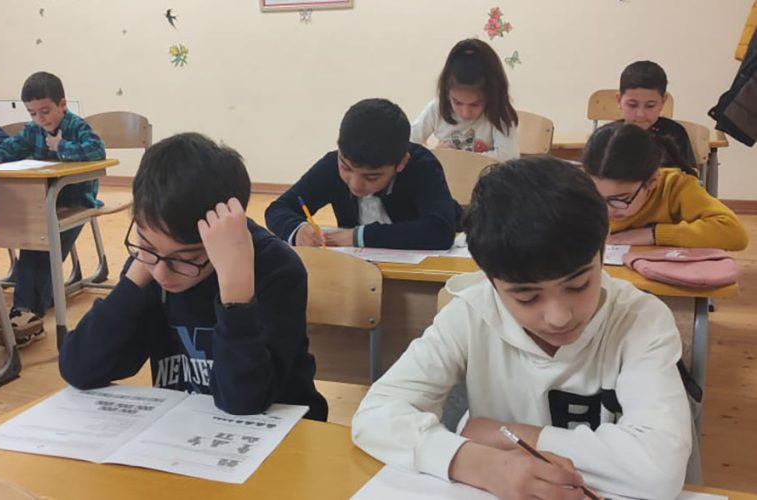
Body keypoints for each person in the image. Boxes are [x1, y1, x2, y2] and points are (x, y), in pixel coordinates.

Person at [352, 157, 691, 499]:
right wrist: (481, 464)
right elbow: (376, 414)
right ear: (490, 279)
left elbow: (659, 469)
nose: (558, 317)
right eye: (527, 298)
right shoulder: (471, 314)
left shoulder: (639, 320)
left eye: (578, 286)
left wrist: (501, 433)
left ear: (603, 245)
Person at [59, 133, 328, 419]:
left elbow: (243, 402)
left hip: (283, 432)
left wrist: (236, 293)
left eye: (184, 259)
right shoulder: (151, 266)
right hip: (189, 428)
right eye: (146, 244)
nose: (162, 272)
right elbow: (79, 368)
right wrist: (134, 279)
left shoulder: (276, 268)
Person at [0, 72, 106, 347]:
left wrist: (60, 146)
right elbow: (9, 148)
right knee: (33, 243)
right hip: (45, 204)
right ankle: (26, 311)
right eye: (33, 113)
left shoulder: (76, 126)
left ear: (62, 104)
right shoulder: (33, 130)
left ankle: (28, 311)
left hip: (76, 202)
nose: (40, 119)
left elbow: (96, 151)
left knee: (44, 249)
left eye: (45, 111)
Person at [265, 98, 459, 250]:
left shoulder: (421, 166)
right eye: (346, 168)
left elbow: (440, 231)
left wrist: (359, 236)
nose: (355, 184)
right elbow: (278, 209)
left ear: (401, 163)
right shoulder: (332, 165)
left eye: (372, 177)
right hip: (357, 270)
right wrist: (298, 230)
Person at [583, 122, 748, 250]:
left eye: (621, 199)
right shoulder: (582, 189)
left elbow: (735, 234)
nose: (607, 209)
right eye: (598, 197)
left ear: (652, 181)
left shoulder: (676, 186)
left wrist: (654, 234)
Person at [410, 38, 519, 162]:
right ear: (447, 94)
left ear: (491, 96)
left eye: (475, 104)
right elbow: (407, 145)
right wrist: (435, 154)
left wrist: (460, 158)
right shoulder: (436, 109)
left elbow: (509, 157)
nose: (465, 113)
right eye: (457, 102)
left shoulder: (500, 115)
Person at [617, 60, 696, 168]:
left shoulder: (674, 134)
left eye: (650, 106)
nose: (640, 114)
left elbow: (688, 176)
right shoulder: (608, 137)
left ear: (663, 102)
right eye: (632, 105)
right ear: (619, 100)